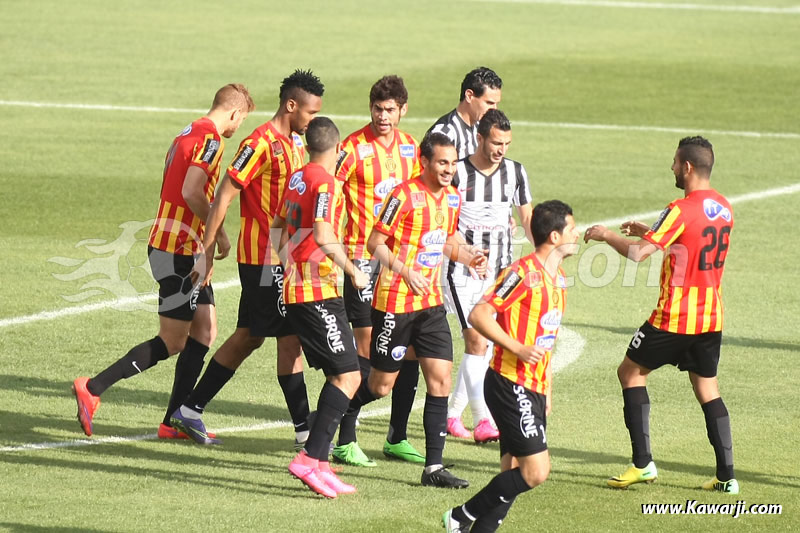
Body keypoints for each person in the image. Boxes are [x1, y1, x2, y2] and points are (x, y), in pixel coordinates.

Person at [71, 84, 255, 437]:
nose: (238, 127)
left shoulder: (186, 133)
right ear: (234, 113)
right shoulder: (211, 140)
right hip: (178, 252)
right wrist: (217, 231)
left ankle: (175, 420)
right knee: (173, 340)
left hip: (177, 246)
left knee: (205, 330)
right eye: (241, 120)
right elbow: (191, 191)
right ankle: (93, 388)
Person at [169, 70, 324, 446]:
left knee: (252, 336)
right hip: (263, 260)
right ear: (291, 105)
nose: (313, 120)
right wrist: (207, 252)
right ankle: (305, 432)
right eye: (310, 112)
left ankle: (190, 409)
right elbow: (223, 195)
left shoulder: (294, 143)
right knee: (287, 338)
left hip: (282, 258)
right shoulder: (259, 143)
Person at [584, 136, 738, 494]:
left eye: (675, 162)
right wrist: (651, 232)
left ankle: (643, 464)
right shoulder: (724, 207)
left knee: (630, 373)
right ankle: (727, 477)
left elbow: (638, 254)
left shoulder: (679, 209)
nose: (672, 168)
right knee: (707, 388)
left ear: (687, 166)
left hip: (675, 316)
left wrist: (606, 235)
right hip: (711, 317)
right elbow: (690, 246)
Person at [346, 132, 487, 489]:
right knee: (380, 386)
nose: (448, 169)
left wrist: (469, 256)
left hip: (430, 304)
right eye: (442, 163)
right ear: (424, 162)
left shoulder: (452, 197)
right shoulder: (403, 196)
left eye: (452, 163)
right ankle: (339, 415)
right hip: (394, 303)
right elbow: (374, 243)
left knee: (440, 380)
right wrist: (406, 271)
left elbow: (447, 239)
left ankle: (433, 468)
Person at [443, 200, 579, 533]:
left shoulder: (559, 279)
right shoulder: (523, 273)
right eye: (572, 229)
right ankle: (459, 516)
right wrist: (517, 348)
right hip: (510, 383)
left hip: (533, 387)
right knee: (536, 472)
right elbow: (479, 315)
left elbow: (546, 338)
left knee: (513, 471)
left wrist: (547, 388)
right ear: (555, 236)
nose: (577, 235)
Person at [272, 116, 368, 498]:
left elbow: (277, 224)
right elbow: (324, 233)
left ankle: (322, 465)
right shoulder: (325, 182)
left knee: (339, 375)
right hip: (316, 294)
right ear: (338, 148)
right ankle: (308, 459)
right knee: (349, 376)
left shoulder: (298, 177)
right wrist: (353, 270)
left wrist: (287, 263)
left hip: (303, 289)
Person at [332, 75, 424, 468]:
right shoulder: (351, 148)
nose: (382, 116)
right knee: (368, 350)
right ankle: (344, 439)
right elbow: (329, 193)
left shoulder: (411, 148)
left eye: (389, 109)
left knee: (411, 347)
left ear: (402, 110)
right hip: (361, 262)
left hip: (399, 263)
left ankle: (397, 437)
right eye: (377, 108)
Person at [444, 109, 534, 443]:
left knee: (483, 347)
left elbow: (527, 219)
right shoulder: (457, 172)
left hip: (500, 272)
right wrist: (466, 255)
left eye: (506, 144)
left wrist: (545, 255)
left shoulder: (515, 172)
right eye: (496, 143)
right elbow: (443, 224)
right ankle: (484, 420)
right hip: (460, 270)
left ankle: (452, 415)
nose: (501, 150)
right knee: (477, 340)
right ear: (480, 138)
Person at [427, 66, 502, 160]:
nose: (494, 109)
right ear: (469, 96)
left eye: (496, 104)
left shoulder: (482, 127)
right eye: (489, 103)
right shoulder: (444, 133)